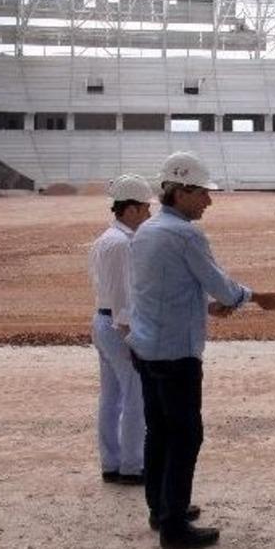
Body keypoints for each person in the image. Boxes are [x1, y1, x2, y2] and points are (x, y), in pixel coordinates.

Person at [128, 151, 275, 549]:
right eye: (202, 193)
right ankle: (174, 528)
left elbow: (162, 288)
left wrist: (207, 306)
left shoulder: (146, 231)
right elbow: (221, 285)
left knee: (158, 431)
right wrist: (252, 297)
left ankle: (161, 509)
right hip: (175, 354)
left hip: (146, 348)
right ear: (180, 192)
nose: (208, 201)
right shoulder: (186, 234)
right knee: (185, 436)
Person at [87, 174, 153, 486]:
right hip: (117, 325)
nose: (148, 214)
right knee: (135, 396)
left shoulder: (104, 239)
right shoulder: (123, 244)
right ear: (130, 210)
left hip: (102, 320)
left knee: (111, 397)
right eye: (144, 208)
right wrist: (132, 336)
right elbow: (124, 298)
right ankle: (132, 464)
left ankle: (112, 461)